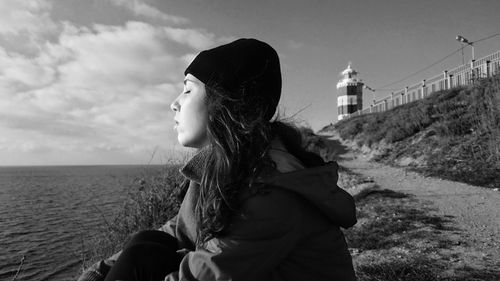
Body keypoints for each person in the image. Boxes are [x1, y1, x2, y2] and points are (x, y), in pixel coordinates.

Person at [78, 38, 357, 281]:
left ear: (226, 102)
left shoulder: (271, 193)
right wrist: (101, 270)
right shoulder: (226, 164)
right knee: (146, 244)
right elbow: (180, 229)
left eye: (187, 89)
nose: (173, 103)